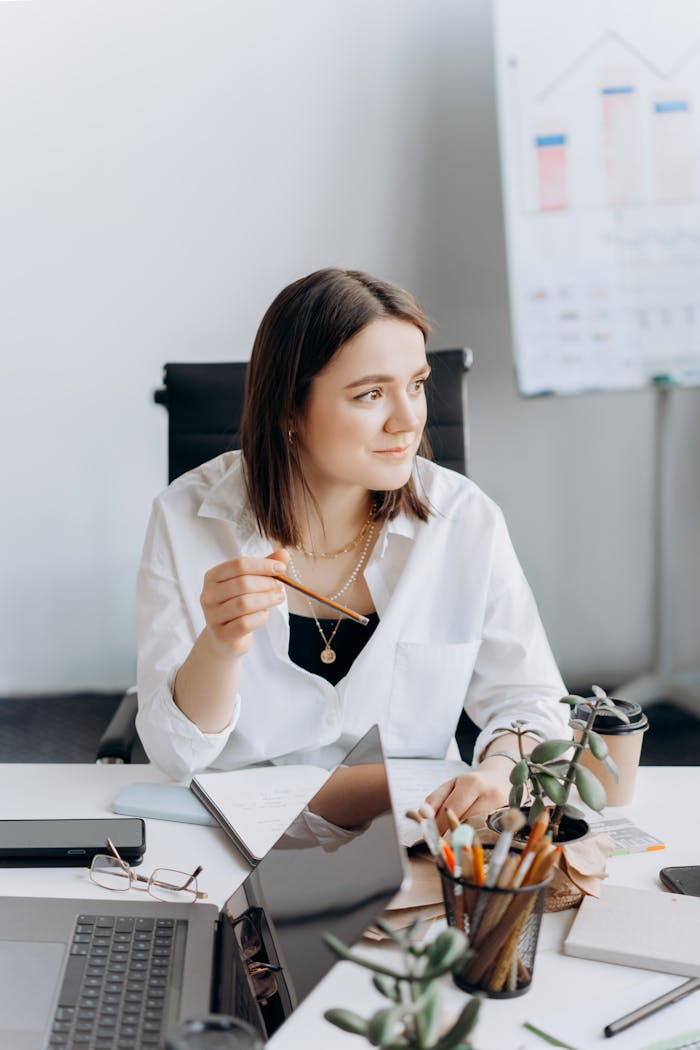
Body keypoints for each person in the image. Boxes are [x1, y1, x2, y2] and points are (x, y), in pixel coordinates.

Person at [136, 267, 569, 828]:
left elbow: (530, 702)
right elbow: (175, 757)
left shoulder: (464, 519)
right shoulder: (183, 519)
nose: (410, 419)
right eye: (370, 394)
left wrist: (499, 770)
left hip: (411, 831)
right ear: (290, 410)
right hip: (241, 835)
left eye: (416, 384)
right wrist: (219, 646)